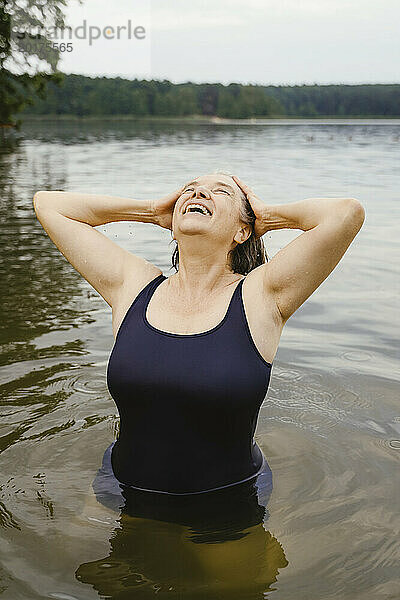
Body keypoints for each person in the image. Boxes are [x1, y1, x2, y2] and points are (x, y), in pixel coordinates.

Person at [33, 172, 364, 525]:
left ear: (242, 231)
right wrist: (149, 211)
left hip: (227, 500)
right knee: (85, 575)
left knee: (236, 584)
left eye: (219, 192)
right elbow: (50, 205)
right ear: (173, 226)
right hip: (121, 487)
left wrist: (268, 217)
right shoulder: (133, 285)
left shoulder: (262, 295)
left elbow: (346, 214)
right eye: (189, 190)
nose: (199, 191)